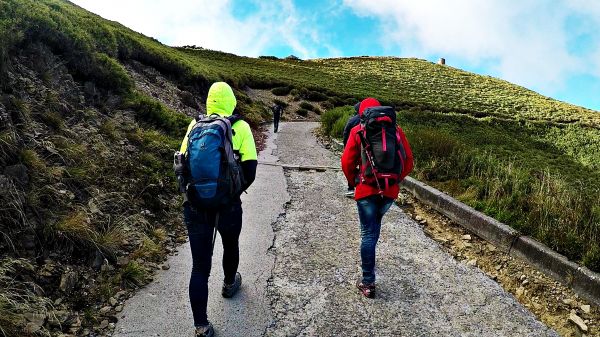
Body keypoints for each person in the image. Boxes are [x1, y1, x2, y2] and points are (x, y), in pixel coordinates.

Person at [178, 82, 258, 337]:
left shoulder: (194, 126)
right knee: (231, 245)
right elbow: (251, 172)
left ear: (210, 101)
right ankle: (229, 283)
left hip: (196, 207)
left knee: (199, 266)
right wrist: (228, 194)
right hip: (228, 207)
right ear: (232, 101)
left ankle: (201, 326)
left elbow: (182, 167)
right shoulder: (240, 127)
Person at [341, 97, 413, 298]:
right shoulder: (396, 131)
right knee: (374, 228)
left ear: (363, 113)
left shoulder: (359, 131)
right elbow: (408, 161)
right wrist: (395, 180)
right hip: (388, 192)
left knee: (367, 234)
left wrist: (354, 181)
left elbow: (346, 162)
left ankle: (367, 281)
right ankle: (369, 261)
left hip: (366, 190)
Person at [342, 102, 361, 198]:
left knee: (350, 167)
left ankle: (351, 188)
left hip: (353, 147)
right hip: (366, 148)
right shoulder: (371, 119)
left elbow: (345, 133)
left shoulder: (352, 120)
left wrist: (346, 147)